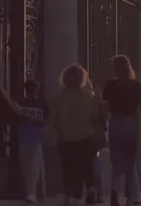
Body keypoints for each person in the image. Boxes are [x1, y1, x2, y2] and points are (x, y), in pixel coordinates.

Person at [103, 55, 141, 206]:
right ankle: (132, 196)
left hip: (115, 122)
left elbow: (105, 107)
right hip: (131, 123)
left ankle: (115, 189)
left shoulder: (110, 85)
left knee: (116, 161)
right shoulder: (135, 85)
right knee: (130, 161)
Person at [51, 65, 98, 206]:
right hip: (85, 138)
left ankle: (68, 194)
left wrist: (50, 136)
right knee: (82, 167)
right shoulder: (88, 98)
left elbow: (52, 120)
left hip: (65, 138)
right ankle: (80, 195)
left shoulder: (58, 98)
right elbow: (95, 117)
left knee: (68, 168)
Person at [18, 79, 49, 204]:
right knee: (27, 166)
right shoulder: (21, 103)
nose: (31, 91)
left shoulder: (42, 104)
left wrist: (35, 120)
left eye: (33, 88)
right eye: (29, 88)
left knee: (34, 166)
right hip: (24, 137)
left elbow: (47, 120)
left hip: (36, 138)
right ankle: (35, 191)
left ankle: (31, 193)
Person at [84, 81, 107, 204]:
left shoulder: (90, 102)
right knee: (94, 165)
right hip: (93, 138)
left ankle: (95, 192)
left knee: (91, 166)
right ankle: (97, 193)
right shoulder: (97, 102)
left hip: (89, 138)